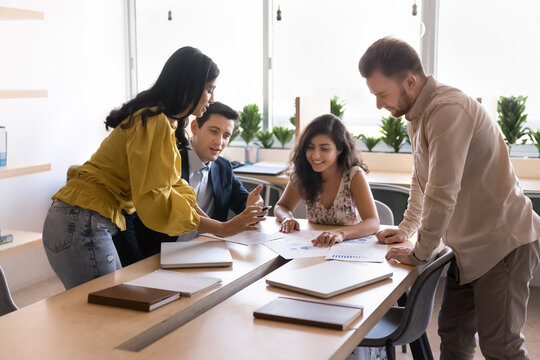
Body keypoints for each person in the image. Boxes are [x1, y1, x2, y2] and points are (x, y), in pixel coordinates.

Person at [358, 36, 540, 359]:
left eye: (382, 94)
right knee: (453, 335)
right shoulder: (417, 113)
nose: (378, 105)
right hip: (467, 246)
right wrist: (407, 229)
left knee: (501, 345)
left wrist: (420, 253)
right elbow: (421, 177)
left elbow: (442, 193)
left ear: (410, 81)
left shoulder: (447, 110)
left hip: (502, 244)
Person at [43, 47, 265, 290]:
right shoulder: (153, 120)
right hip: (83, 220)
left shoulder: (162, 121)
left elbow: (176, 190)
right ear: (190, 85)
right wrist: (221, 228)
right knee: (107, 313)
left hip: (81, 219)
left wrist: (219, 227)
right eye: (209, 89)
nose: (211, 99)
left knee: (106, 313)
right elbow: (156, 198)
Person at [119, 101, 265, 260]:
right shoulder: (168, 161)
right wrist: (135, 261)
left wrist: (255, 207)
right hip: (161, 254)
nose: (219, 141)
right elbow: (131, 216)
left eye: (226, 135)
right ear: (195, 127)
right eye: (214, 131)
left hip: (205, 251)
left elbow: (243, 202)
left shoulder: (223, 167)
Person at [274, 114, 379, 247]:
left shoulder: (353, 175)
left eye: (324, 148)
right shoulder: (303, 173)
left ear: (339, 149)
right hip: (316, 248)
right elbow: (281, 206)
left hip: (349, 248)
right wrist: (287, 218)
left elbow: (373, 222)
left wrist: (341, 234)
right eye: (310, 147)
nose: (315, 155)